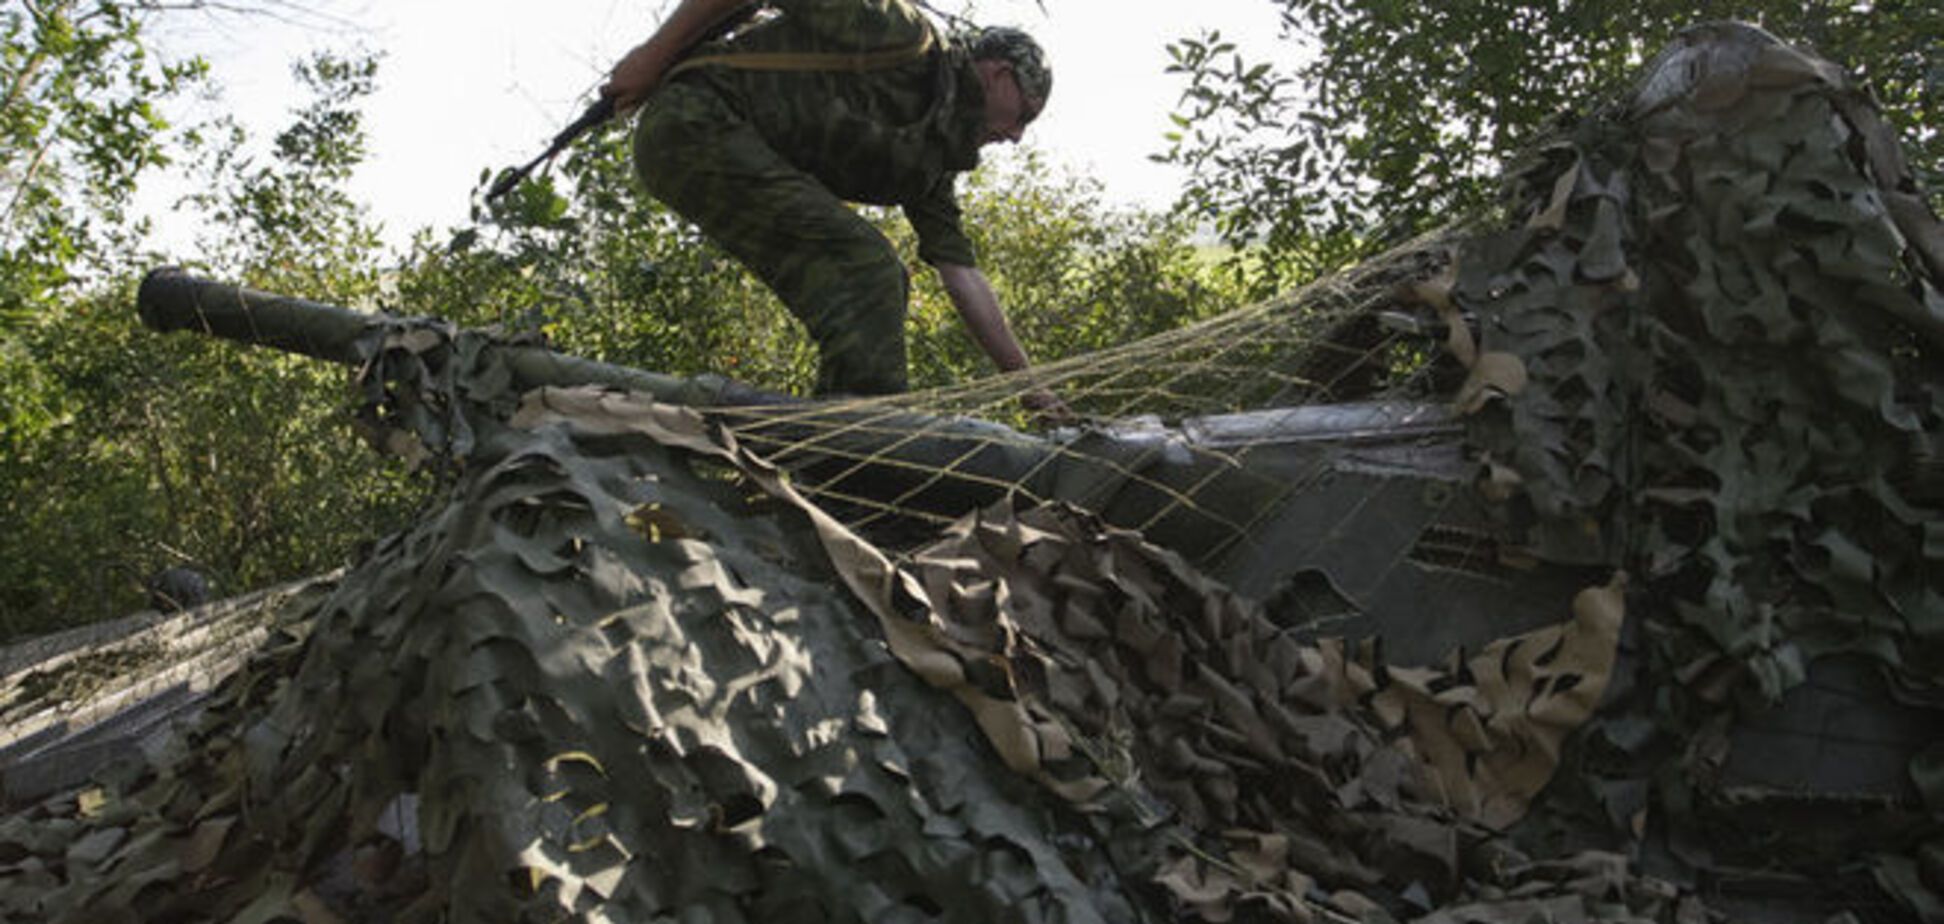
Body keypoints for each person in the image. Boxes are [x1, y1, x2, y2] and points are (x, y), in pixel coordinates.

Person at [603, 0, 1063, 408]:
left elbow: (962, 274)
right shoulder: (902, 37)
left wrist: (1031, 389)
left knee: (874, 276)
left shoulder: (930, 159)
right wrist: (651, 58)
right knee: (868, 271)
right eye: (1024, 113)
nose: (1018, 135)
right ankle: (855, 467)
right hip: (695, 118)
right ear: (998, 74)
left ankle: (839, 450)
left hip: (706, 139)